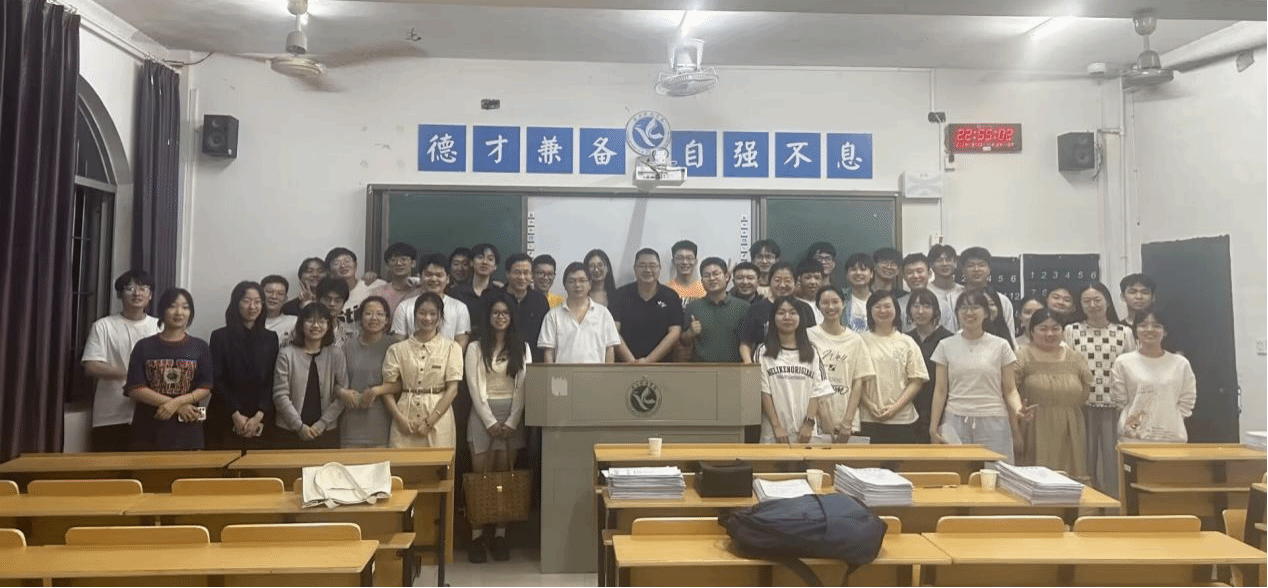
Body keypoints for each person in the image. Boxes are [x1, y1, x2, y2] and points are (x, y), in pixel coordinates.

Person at [465, 290, 531, 563]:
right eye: (495, 313)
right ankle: (477, 537)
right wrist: (490, 421)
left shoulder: (521, 346)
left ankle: (500, 536)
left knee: (505, 479)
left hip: (512, 416)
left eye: (505, 313)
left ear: (511, 316)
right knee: (481, 478)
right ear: (488, 316)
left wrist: (513, 421)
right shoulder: (475, 347)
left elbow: (524, 387)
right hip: (482, 415)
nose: (500, 317)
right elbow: (473, 386)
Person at [929, 289, 1030, 463]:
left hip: (993, 420)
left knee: (996, 472)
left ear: (986, 313)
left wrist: (1018, 409)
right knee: (957, 472)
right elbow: (940, 390)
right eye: (963, 308)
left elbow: (1010, 389)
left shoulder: (1001, 345)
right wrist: (933, 427)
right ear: (957, 313)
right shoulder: (945, 345)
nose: (969, 313)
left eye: (975, 307)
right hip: (955, 419)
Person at [1066, 281, 1137, 495]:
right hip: (1081, 405)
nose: (1092, 305)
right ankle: (1087, 505)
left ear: (1107, 301)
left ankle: (1115, 505)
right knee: (1083, 459)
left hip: (1115, 406)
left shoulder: (1124, 332)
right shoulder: (1072, 330)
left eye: (1097, 300)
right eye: (1086, 301)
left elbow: (1131, 368)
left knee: (1112, 461)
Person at [82, 270, 161, 451]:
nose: (137, 293)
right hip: (111, 414)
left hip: (152, 412)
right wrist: (132, 376)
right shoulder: (103, 326)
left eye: (143, 288)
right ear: (119, 294)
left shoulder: (160, 327)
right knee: (109, 466)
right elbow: (91, 366)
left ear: (150, 295)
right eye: (130, 288)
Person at [125, 288, 213, 451]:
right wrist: (176, 406)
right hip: (148, 431)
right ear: (162, 310)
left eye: (185, 307)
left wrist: (176, 403)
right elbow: (135, 388)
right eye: (172, 306)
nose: (179, 312)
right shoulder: (144, 346)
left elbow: (206, 387)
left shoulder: (200, 347)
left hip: (188, 431)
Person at [1015, 309, 1092, 478]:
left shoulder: (1076, 358)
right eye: (1043, 329)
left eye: (1055, 328)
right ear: (1032, 331)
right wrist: (1015, 430)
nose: (1050, 334)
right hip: (1033, 429)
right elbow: (1010, 392)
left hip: (1070, 429)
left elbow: (1085, 392)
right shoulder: (1021, 356)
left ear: (1063, 331)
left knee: (1070, 478)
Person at [382, 292, 464, 448]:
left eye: (433, 314)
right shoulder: (397, 349)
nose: (427, 318)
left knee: (439, 462)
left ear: (440, 317)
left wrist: (429, 422)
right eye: (422, 313)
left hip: (439, 417)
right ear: (415, 315)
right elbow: (387, 389)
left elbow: (452, 390)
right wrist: (400, 419)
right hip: (404, 417)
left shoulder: (452, 348)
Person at [208, 281, 279, 450]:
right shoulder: (220, 337)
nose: (252, 306)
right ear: (236, 303)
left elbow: (273, 379)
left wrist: (259, 415)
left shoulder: (271, 338)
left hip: (261, 418)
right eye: (247, 301)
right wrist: (235, 414)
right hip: (225, 414)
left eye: (257, 301)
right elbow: (216, 378)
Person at [1111, 307, 1196, 443]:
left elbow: (1187, 398)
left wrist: (1173, 419)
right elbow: (1120, 401)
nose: (1149, 329)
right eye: (1143, 325)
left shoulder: (1180, 364)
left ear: (1165, 331)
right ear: (1136, 330)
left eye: (1156, 326)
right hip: (1134, 439)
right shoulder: (1123, 362)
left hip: (1171, 438)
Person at [756, 297, 833, 444]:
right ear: (773, 318)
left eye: (793, 313)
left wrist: (809, 423)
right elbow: (764, 391)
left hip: (806, 433)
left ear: (800, 318)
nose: (787, 317)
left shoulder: (812, 351)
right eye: (781, 313)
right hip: (774, 432)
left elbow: (817, 391)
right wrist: (776, 426)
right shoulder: (763, 351)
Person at [807, 285, 876, 442]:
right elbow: (810, 382)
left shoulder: (855, 340)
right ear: (818, 306)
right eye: (825, 303)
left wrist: (848, 420)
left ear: (843, 304)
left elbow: (858, 382)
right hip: (815, 421)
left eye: (835, 302)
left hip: (847, 422)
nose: (830, 307)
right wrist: (824, 417)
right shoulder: (808, 335)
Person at [858, 291, 929, 443]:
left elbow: (916, 381)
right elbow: (855, 379)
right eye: (877, 306)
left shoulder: (907, 342)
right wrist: (870, 406)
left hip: (903, 420)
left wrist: (894, 409)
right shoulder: (860, 341)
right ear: (869, 311)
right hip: (867, 418)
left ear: (896, 310)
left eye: (887, 306)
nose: (883, 310)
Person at [273, 303, 347, 449]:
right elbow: (280, 395)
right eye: (310, 321)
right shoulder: (286, 354)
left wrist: (321, 425)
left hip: (326, 431)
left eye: (321, 321)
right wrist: (299, 426)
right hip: (289, 430)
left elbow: (342, 395)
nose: (316, 325)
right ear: (301, 325)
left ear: (328, 326)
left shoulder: (336, 354)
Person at [337, 296, 401, 449]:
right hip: (351, 423)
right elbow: (334, 383)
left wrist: (376, 391)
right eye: (368, 313)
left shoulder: (394, 347)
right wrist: (342, 392)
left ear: (387, 320)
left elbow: (402, 384)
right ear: (360, 318)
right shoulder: (348, 346)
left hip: (383, 423)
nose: (374, 318)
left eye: (380, 314)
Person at [610, 248, 684, 363]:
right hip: (625, 365)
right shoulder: (620, 295)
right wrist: (632, 361)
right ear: (635, 269)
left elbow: (675, 332)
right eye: (642, 265)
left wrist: (649, 361)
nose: (648, 270)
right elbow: (613, 331)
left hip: (662, 365)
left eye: (652, 265)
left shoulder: (670, 296)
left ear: (659, 269)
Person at [539, 262, 621, 363]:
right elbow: (548, 354)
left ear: (590, 284)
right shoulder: (553, 315)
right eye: (572, 281)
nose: (577, 285)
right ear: (565, 285)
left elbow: (609, 350)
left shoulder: (603, 314)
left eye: (582, 280)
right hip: (563, 373)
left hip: (597, 373)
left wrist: (608, 372)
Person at [738, 261, 816, 363]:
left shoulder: (805, 308)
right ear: (769, 282)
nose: (782, 285)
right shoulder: (756, 308)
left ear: (795, 282)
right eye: (777, 280)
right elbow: (745, 343)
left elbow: (813, 340)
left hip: (800, 365)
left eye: (787, 281)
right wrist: (749, 366)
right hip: (764, 364)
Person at [392, 253, 472, 349]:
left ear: (447, 279)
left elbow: (461, 343)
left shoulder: (460, 308)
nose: (433, 279)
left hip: (448, 358)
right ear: (420, 277)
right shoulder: (404, 307)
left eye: (439, 275)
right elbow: (398, 343)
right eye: (428, 275)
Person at [906, 288, 954, 443]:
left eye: (926, 306)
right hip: (910, 410)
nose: (920, 311)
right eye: (915, 306)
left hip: (942, 410)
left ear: (935, 310)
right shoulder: (905, 339)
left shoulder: (948, 339)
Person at [681, 257, 750, 363]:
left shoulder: (743, 307)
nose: (712, 278)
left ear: (726, 277)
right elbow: (683, 341)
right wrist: (690, 333)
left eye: (716, 274)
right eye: (707, 275)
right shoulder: (693, 307)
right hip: (701, 368)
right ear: (702, 281)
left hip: (735, 368)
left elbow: (749, 342)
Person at [956, 247, 1015, 336]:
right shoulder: (954, 298)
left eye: (981, 265)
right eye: (970, 265)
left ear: (989, 269)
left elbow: (1010, 334)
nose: (976, 269)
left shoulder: (1002, 300)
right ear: (963, 269)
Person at [502, 253, 550, 362]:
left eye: (526, 273)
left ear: (531, 275)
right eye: (517, 272)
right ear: (507, 274)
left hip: (533, 363)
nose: (522, 277)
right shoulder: (495, 298)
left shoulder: (540, 301)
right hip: (501, 362)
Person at [326, 247, 386, 323]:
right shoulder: (327, 296)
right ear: (329, 271)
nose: (343, 265)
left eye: (347, 261)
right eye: (336, 263)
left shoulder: (375, 285)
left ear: (355, 265)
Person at [897, 253, 952, 332]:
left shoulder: (943, 304)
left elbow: (949, 336)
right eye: (910, 272)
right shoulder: (897, 305)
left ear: (929, 273)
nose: (915, 276)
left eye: (919, 271)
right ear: (904, 277)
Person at [452, 243, 504, 323]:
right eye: (480, 257)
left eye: (490, 259)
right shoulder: (456, 292)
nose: (485, 262)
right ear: (471, 262)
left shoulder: (500, 292)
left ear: (495, 266)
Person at [370, 242, 422, 316]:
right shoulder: (378, 293)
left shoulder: (421, 290)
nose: (398, 263)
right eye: (393, 260)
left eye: (403, 259)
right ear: (387, 265)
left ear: (413, 263)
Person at [926, 244, 962, 331]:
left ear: (955, 263)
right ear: (931, 265)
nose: (944, 264)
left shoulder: (964, 292)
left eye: (948, 260)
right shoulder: (925, 292)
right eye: (939, 260)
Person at [315, 277, 357, 347]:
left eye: (337, 300)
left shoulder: (350, 333)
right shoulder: (306, 329)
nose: (332, 304)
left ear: (343, 304)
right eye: (327, 299)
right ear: (318, 300)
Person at [261, 275, 297, 346]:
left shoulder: (294, 322)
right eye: (269, 292)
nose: (274, 296)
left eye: (280, 293)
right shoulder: (251, 321)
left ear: (285, 298)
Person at [842, 253, 874, 333]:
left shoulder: (878, 300)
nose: (858, 273)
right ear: (847, 274)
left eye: (863, 269)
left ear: (871, 274)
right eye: (853, 269)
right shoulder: (839, 298)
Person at [667, 240, 706, 305]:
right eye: (680, 258)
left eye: (689, 258)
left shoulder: (705, 289)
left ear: (695, 261)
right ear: (673, 261)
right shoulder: (666, 289)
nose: (684, 262)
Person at [793, 258, 826, 325]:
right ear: (799, 280)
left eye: (817, 278)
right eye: (807, 278)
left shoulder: (827, 305)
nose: (813, 282)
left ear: (822, 280)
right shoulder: (792, 304)